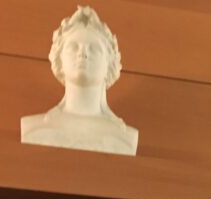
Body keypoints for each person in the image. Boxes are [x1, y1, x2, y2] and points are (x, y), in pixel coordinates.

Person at [21, 6, 138, 156]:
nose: (82, 54)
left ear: (110, 63)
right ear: (59, 58)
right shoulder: (33, 128)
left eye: (94, 48)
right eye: (73, 47)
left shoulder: (125, 136)